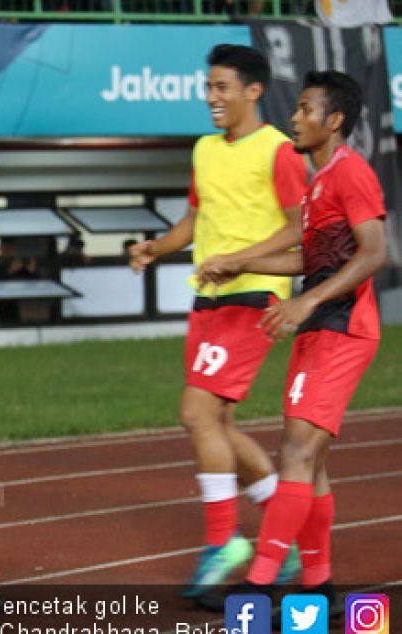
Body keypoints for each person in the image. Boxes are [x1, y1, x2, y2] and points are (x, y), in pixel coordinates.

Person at [128, 44, 307, 597]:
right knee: (218, 424)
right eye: (208, 87)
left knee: (196, 412)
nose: (211, 97)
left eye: (222, 87)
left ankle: (223, 540)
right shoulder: (206, 149)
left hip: (254, 297)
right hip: (209, 299)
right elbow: (196, 218)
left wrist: (240, 259)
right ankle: (284, 536)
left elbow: (301, 228)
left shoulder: (278, 150)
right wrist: (157, 247)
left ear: (253, 91)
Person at [203, 70, 387, 608]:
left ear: (334, 121)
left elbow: (374, 252)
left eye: (306, 109)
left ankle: (260, 579)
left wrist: (306, 300)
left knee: (297, 453)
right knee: (312, 460)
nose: (295, 118)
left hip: (344, 327)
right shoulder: (318, 180)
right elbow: (313, 256)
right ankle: (319, 581)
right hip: (318, 326)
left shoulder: (351, 174)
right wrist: (242, 263)